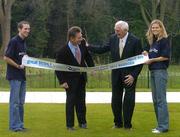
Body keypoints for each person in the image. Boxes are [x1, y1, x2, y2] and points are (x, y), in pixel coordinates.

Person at [87, 20, 143, 129]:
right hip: (116, 75)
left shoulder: (136, 41)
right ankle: (118, 123)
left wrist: (133, 75)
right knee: (115, 100)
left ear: (125, 30)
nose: (116, 32)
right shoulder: (113, 38)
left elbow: (139, 61)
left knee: (129, 100)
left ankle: (127, 125)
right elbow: (102, 49)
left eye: (118, 30)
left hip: (129, 76)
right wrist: (88, 46)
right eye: (115, 30)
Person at [55, 26, 94, 131]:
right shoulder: (63, 51)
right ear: (71, 38)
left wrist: (92, 68)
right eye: (79, 38)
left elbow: (88, 58)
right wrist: (62, 81)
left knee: (81, 102)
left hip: (81, 79)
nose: (81, 39)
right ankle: (70, 125)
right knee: (71, 103)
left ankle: (82, 123)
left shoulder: (82, 46)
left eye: (81, 37)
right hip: (69, 82)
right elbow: (57, 68)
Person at [143, 19, 170, 134]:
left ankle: (163, 126)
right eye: (152, 27)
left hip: (160, 71)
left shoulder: (164, 40)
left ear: (161, 28)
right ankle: (160, 125)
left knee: (160, 100)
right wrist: (146, 54)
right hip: (153, 72)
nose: (154, 29)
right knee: (155, 100)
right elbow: (152, 55)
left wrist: (151, 59)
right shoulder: (153, 42)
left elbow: (165, 56)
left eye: (156, 27)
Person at [4, 21, 30, 132]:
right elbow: (6, 58)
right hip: (14, 76)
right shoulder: (14, 41)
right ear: (19, 29)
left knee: (20, 102)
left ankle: (20, 125)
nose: (27, 31)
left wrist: (26, 59)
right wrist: (18, 66)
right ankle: (14, 126)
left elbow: (21, 57)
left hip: (22, 76)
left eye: (28, 29)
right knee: (14, 102)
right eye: (25, 29)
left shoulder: (24, 42)